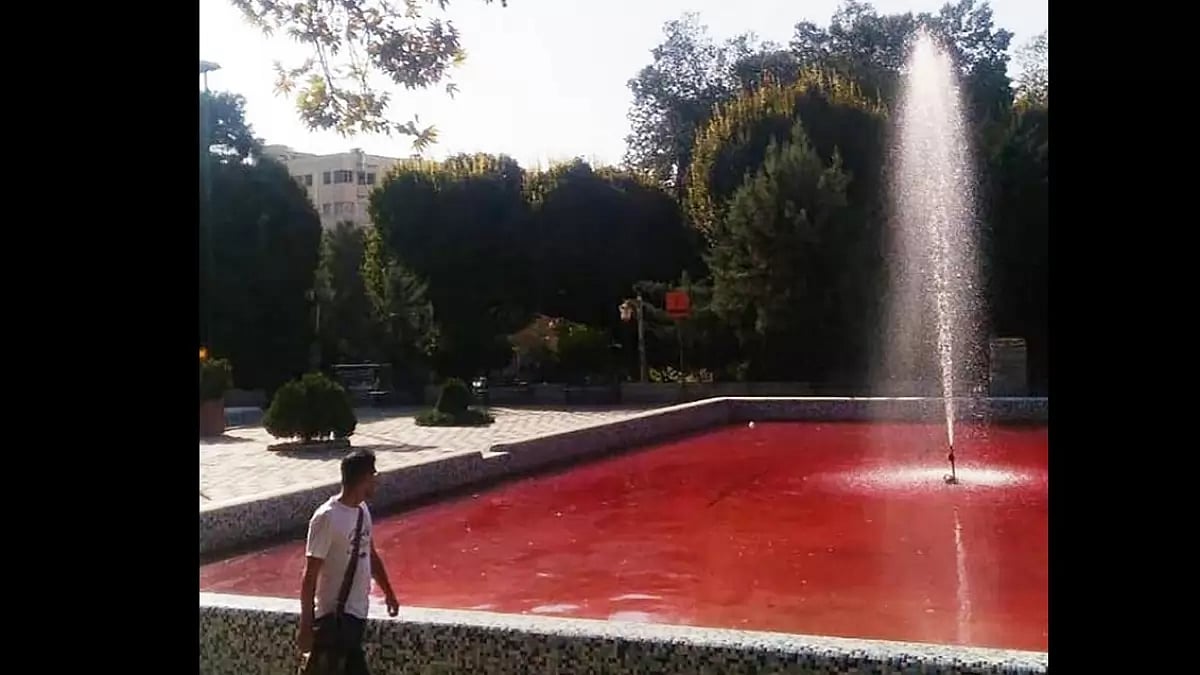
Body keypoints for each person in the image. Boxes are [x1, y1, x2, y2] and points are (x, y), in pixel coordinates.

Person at [298, 449, 399, 675]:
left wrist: (389, 593)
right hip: (334, 619)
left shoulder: (362, 510)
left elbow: (369, 553)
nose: (377, 481)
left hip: (356, 615)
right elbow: (310, 575)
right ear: (363, 478)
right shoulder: (327, 517)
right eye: (374, 475)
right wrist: (306, 625)